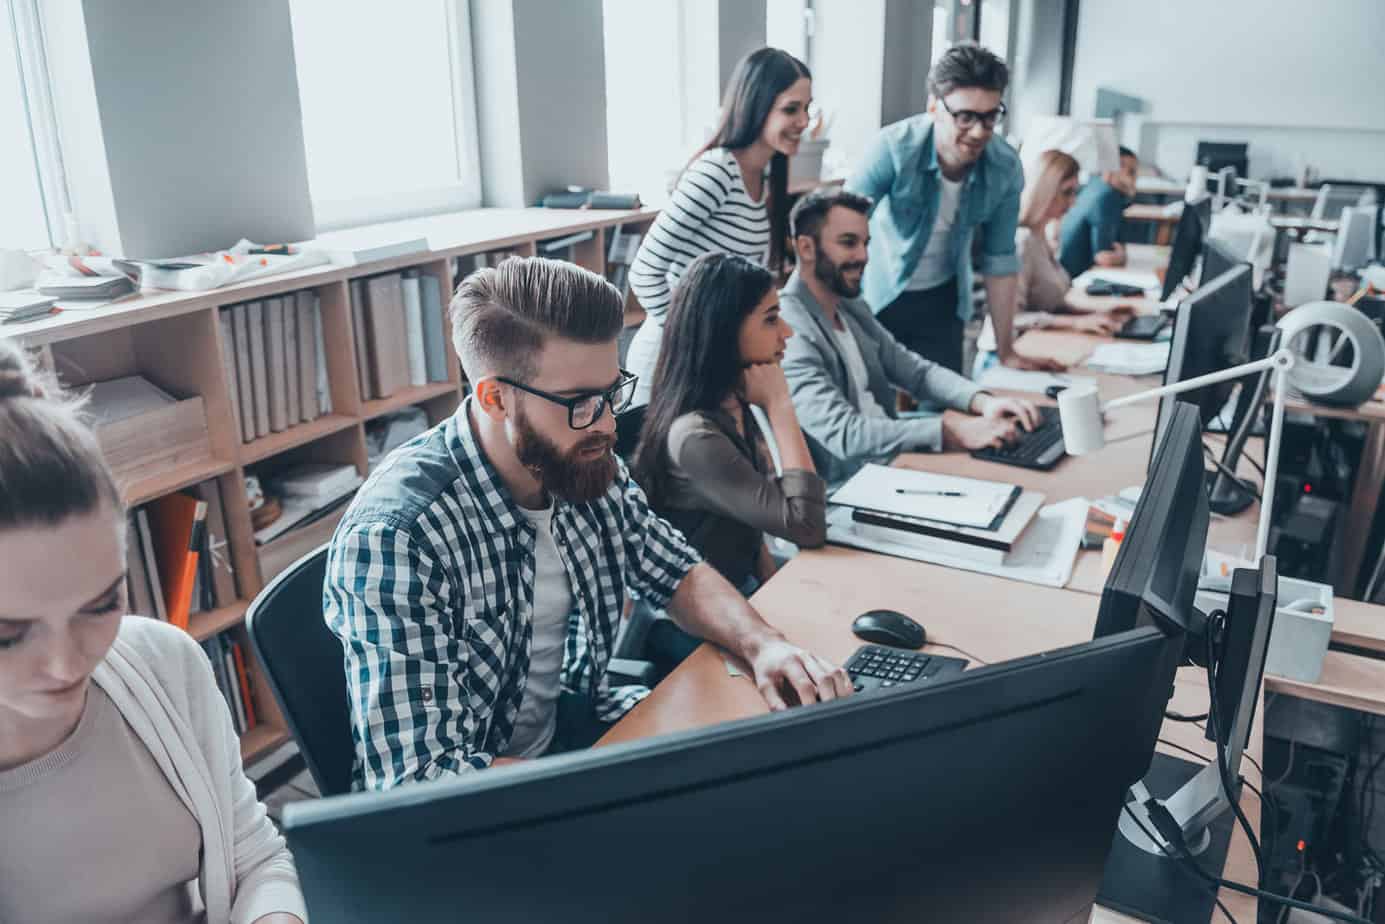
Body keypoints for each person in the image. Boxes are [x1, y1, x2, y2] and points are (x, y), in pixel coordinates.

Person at [323, 257, 851, 792]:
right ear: (495, 397)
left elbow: (675, 572)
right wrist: (608, 788)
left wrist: (764, 645)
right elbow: (419, 777)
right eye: (578, 403)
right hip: (477, 807)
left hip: (573, 733)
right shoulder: (398, 538)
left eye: (609, 391)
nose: (604, 423)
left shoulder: (579, 461)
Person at [0, 340, 305, 924]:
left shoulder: (164, 663)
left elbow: (255, 855)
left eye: (101, 604)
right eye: (8, 635)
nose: (68, 665)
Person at [779, 188, 1041, 487]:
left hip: (893, 460)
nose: (863, 256)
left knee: (1020, 465)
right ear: (806, 248)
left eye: (866, 243)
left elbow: (915, 372)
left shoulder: (848, 305)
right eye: (848, 243)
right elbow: (846, 435)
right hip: (851, 486)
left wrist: (981, 402)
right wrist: (949, 429)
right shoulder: (790, 330)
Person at [846, 41, 1060, 374]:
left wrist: (1007, 351)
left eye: (990, 118)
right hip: (878, 295)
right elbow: (842, 230)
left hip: (943, 299)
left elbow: (1000, 260)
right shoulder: (891, 149)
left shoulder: (1004, 167)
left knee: (945, 414)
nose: (978, 132)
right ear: (934, 108)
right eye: (965, 117)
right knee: (877, 411)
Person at [626, 46, 812, 403]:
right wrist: (695, 343)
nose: (804, 122)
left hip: (714, 364)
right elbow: (645, 271)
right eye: (791, 109)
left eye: (806, 108)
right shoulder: (716, 173)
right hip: (668, 364)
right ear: (756, 106)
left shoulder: (768, 175)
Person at [632, 252, 826, 593]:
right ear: (724, 330)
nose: (787, 332)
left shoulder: (734, 403)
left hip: (739, 590)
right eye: (770, 319)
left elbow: (751, 534)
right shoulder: (695, 437)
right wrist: (780, 406)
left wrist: (778, 596)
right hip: (704, 618)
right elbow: (807, 527)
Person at [975, 150, 1138, 374]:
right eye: (1066, 193)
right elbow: (1011, 318)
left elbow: (1049, 304)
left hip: (1033, 348)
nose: (1073, 202)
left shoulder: (1040, 236)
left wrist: (1092, 314)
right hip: (1002, 360)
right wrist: (1076, 323)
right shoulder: (1022, 242)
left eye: (1075, 192)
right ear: (1046, 190)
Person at [1058, 146, 1140, 277]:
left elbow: (1118, 241)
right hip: (1074, 281)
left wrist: (1128, 197)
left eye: (1132, 172)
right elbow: (1104, 258)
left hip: (1067, 273)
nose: (1132, 179)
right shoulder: (1106, 195)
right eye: (1129, 171)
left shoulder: (1093, 185)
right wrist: (1122, 256)